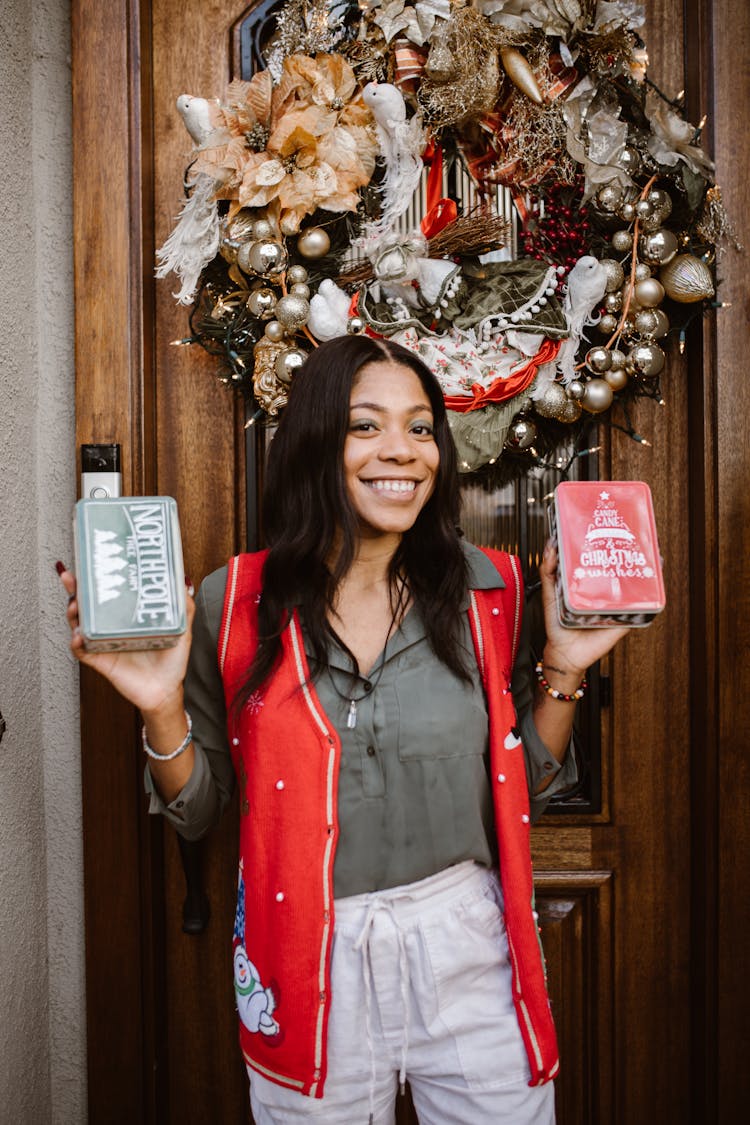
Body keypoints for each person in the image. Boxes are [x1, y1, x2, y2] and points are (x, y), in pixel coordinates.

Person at [60, 334, 628, 1124]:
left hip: (468, 939)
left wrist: (563, 665)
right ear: (317, 440)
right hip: (305, 943)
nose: (402, 450)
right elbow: (198, 811)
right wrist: (160, 707)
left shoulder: (489, 591)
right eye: (366, 425)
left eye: (422, 427)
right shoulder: (235, 603)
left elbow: (520, 784)